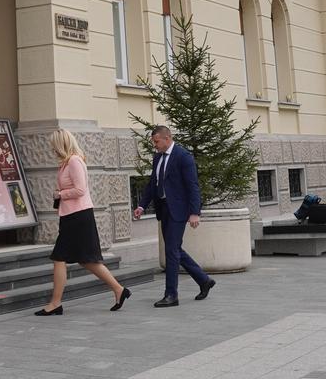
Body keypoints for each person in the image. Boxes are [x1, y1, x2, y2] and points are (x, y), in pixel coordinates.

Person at [36, 130, 129, 315]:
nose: (51, 148)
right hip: (72, 216)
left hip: (78, 217)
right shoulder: (66, 163)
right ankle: (119, 290)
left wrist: (60, 194)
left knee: (59, 258)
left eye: (54, 144)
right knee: (86, 260)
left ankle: (55, 303)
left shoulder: (74, 161)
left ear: (61, 144)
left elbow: (80, 189)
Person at [133, 124, 214, 307]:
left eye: (156, 141)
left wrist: (194, 213)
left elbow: (192, 186)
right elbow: (152, 184)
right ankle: (204, 280)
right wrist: (141, 205)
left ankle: (171, 295)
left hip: (178, 211)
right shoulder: (157, 158)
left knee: (171, 250)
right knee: (175, 249)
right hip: (164, 210)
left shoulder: (183, 156)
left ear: (167, 138)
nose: (155, 145)